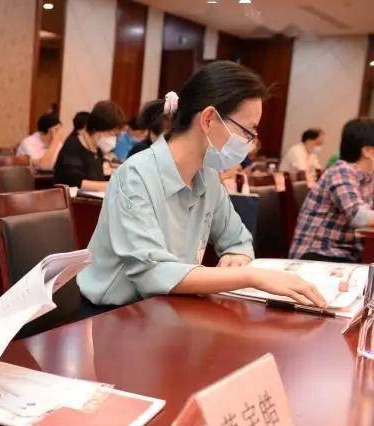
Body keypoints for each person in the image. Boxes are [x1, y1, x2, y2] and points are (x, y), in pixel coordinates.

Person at [77, 61, 326, 308]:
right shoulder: (135, 175)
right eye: (247, 131)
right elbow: (153, 274)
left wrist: (236, 257)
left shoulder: (207, 176)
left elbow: (238, 239)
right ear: (208, 119)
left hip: (168, 308)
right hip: (111, 315)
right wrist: (249, 276)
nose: (249, 143)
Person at [289, 118, 374, 262]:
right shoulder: (341, 172)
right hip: (319, 254)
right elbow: (358, 216)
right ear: (367, 151)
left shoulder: (368, 177)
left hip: (345, 254)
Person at [53, 100, 125, 192]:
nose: (113, 138)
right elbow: (72, 182)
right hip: (74, 202)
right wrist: (108, 186)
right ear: (98, 127)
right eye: (111, 133)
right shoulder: (73, 144)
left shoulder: (97, 149)